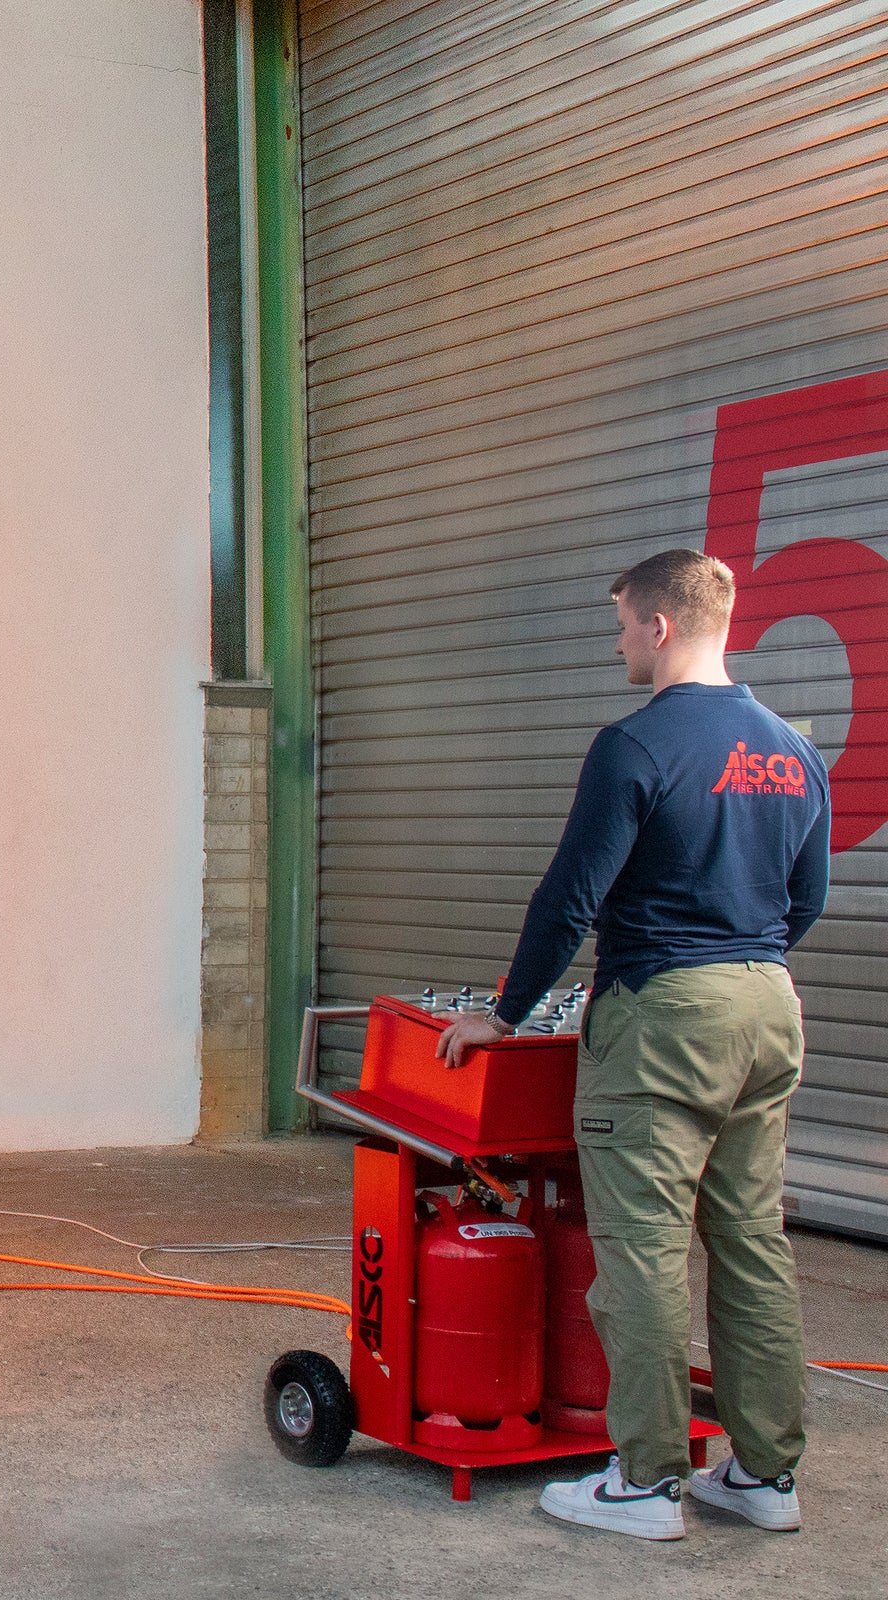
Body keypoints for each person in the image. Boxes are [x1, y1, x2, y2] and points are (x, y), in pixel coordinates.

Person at [437, 548, 830, 1542]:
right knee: (749, 1240)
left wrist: (506, 1011)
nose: (616, 640)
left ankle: (647, 1481)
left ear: (659, 626)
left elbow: (569, 895)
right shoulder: (792, 748)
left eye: (621, 622)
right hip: (766, 1004)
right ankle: (764, 1476)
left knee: (643, 1247)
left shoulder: (634, 744)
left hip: (662, 1017)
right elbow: (806, 900)